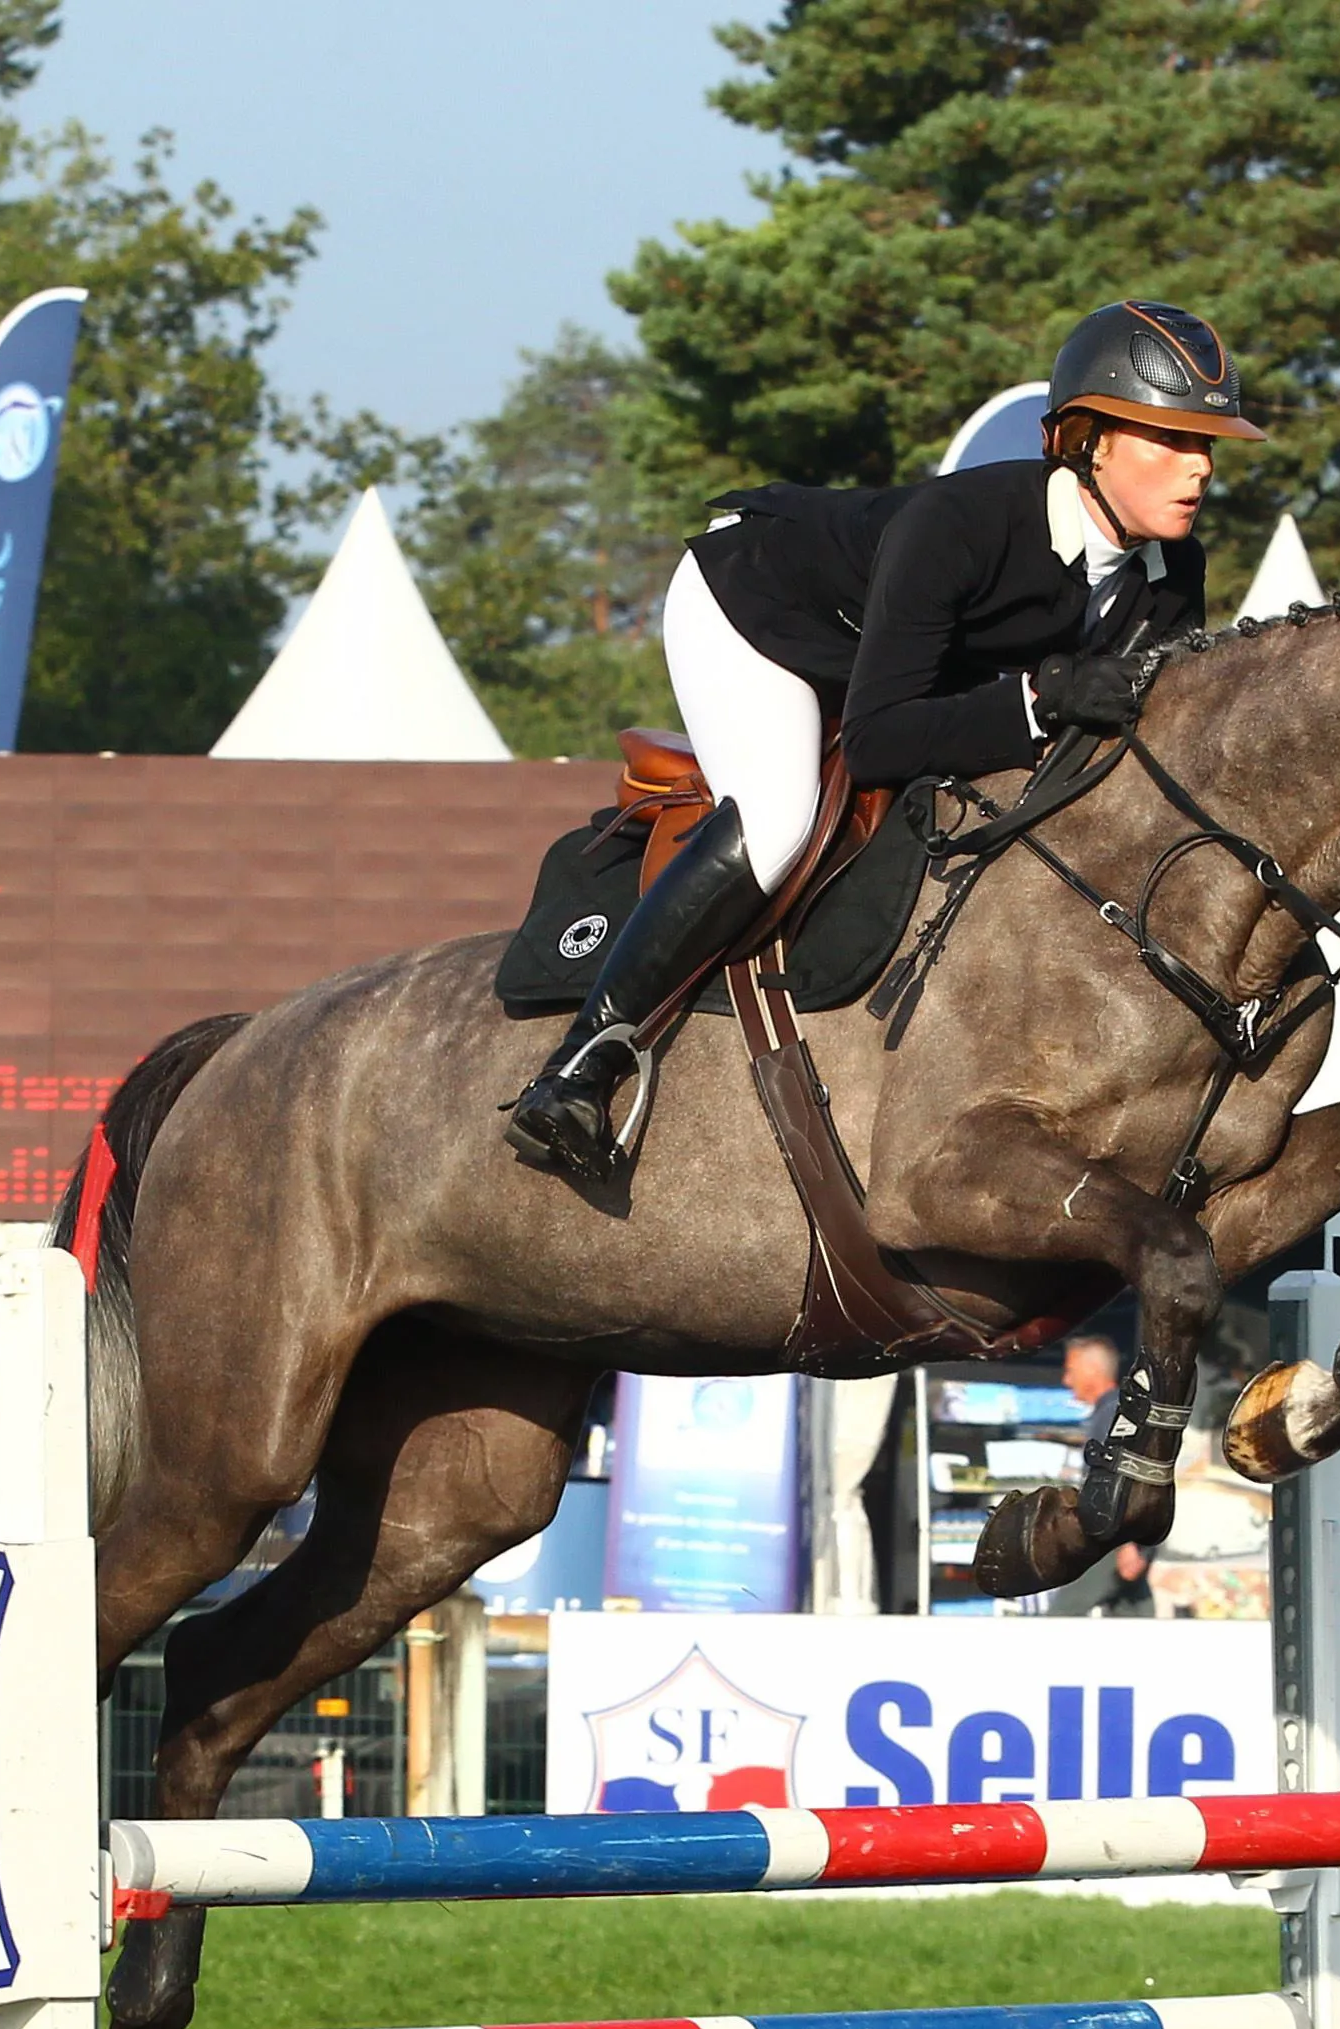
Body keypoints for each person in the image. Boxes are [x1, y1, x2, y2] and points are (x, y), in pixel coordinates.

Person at [504, 303, 1262, 1184]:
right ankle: (577, 1066)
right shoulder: (961, 526)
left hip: (893, 656)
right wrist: (1036, 699)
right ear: (1087, 441)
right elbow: (877, 738)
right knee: (781, 816)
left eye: (1208, 445)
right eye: (1172, 441)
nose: (1201, 468)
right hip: (761, 611)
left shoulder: (1174, 572)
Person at [1059, 1331, 1157, 1615]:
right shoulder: (1113, 1411)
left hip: (1111, 1540)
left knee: (1059, 1620)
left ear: (1092, 1370)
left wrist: (1129, 1544)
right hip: (1120, 1537)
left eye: (1070, 1371)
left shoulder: (1114, 1414)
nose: (1066, 1381)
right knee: (1132, 1617)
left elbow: (1126, 1478)